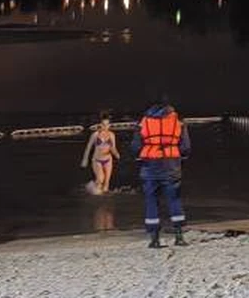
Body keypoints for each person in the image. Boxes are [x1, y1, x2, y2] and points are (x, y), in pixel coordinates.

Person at [131, 99, 191, 248]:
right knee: (174, 199)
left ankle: (154, 239)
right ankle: (179, 237)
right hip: (171, 164)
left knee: (151, 200)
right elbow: (185, 147)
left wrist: (142, 155)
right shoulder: (178, 122)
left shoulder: (144, 122)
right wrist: (180, 156)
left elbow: (136, 146)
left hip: (150, 165)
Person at [81, 115, 120, 193]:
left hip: (108, 160)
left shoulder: (112, 135)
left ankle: (104, 201)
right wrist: (84, 160)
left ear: (109, 126)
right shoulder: (95, 135)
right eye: (103, 124)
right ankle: (91, 188)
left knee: (106, 183)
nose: (105, 127)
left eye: (107, 125)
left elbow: (113, 147)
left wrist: (116, 154)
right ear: (100, 125)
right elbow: (88, 148)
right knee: (100, 179)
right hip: (97, 160)